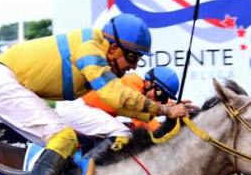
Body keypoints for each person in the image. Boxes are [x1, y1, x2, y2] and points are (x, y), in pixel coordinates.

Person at [0, 13, 191, 175]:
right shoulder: (89, 48)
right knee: (64, 137)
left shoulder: (96, 47)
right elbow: (115, 96)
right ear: (114, 48)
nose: (133, 67)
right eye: (132, 57)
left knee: (67, 144)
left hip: (4, 83)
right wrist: (165, 110)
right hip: (0, 83)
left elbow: (120, 105)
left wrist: (165, 110)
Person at [55, 65, 184, 163]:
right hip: (76, 108)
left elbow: (151, 108)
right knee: (123, 133)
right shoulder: (133, 84)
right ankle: (86, 169)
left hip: (82, 110)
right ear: (149, 83)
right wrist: (170, 133)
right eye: (160, 94)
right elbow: (146, 121)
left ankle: (85, 167)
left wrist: (174, 106)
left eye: (164, 98)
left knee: (115, 133)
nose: (159, 100)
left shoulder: (140, 90)